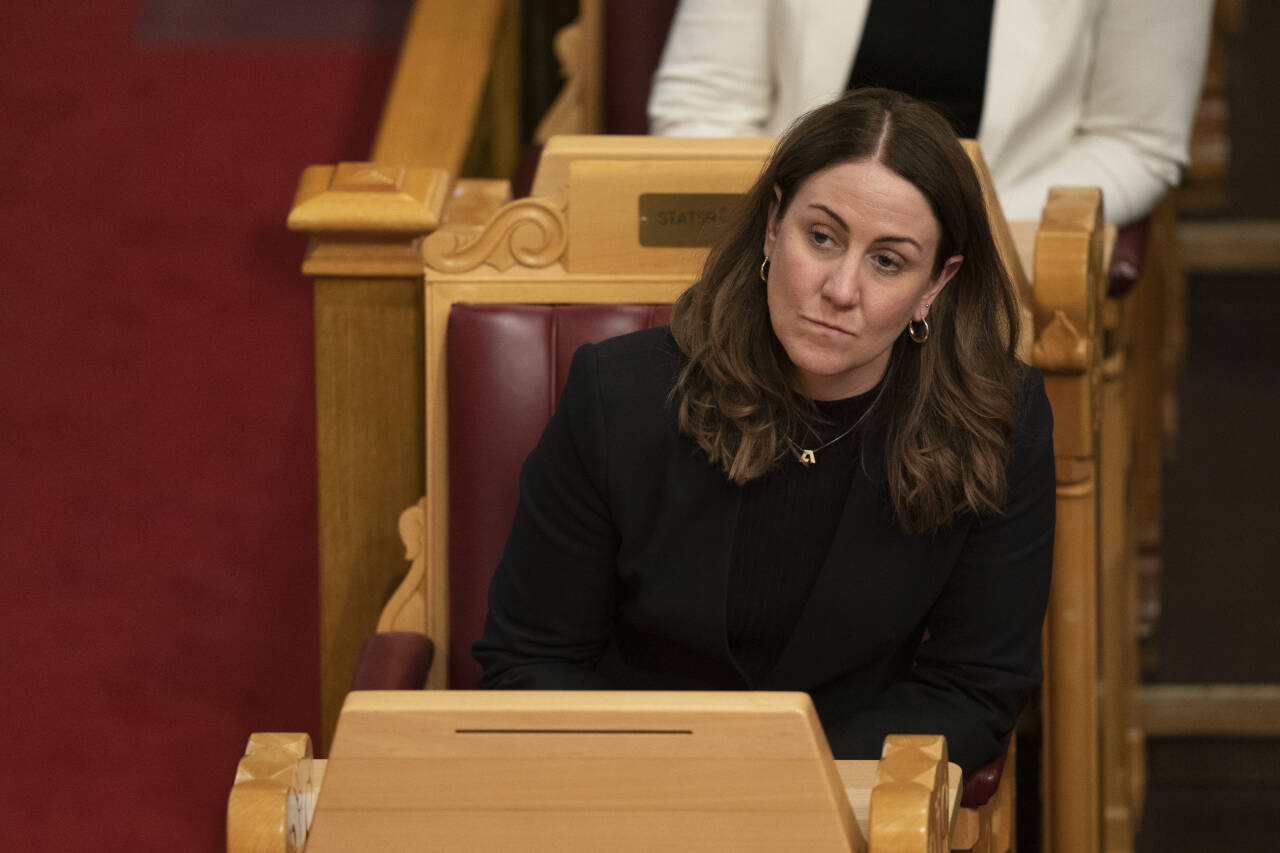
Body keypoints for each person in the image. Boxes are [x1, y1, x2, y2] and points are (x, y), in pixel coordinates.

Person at [474, 88, 1054, 775]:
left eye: (888, 261)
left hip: (847, 806)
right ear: (775, 224)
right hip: (630, 792)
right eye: (823, 237)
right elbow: (530, 661)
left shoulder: (998, 417)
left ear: (936, 283)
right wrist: (680, 783)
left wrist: (780, 783)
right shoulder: (618, 395)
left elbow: (973, 687)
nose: (841, 288)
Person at [648, 0, 1213, 225]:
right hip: (784, 241)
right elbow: (700, 108)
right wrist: (798, 234)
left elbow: (1134, 141)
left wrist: (956, 239)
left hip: (996, 244)